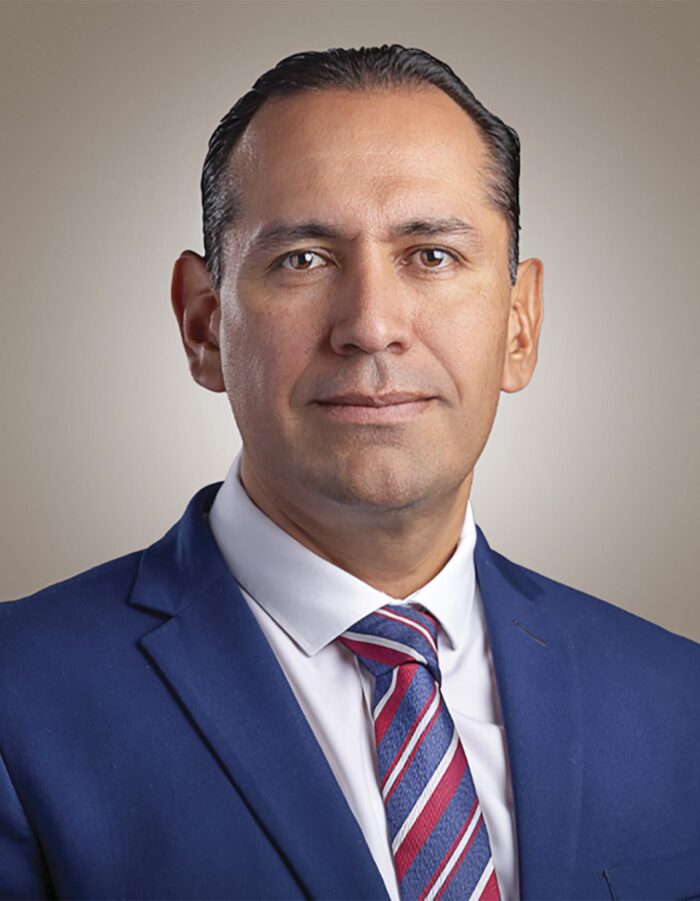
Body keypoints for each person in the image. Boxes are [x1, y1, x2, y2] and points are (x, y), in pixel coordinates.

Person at [0, 43, 698, 901]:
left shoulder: (681, 703)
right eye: (303, 258)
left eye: (431, 255)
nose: (370, 324)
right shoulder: (18, 701)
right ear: (205, 326)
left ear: (520, 326)